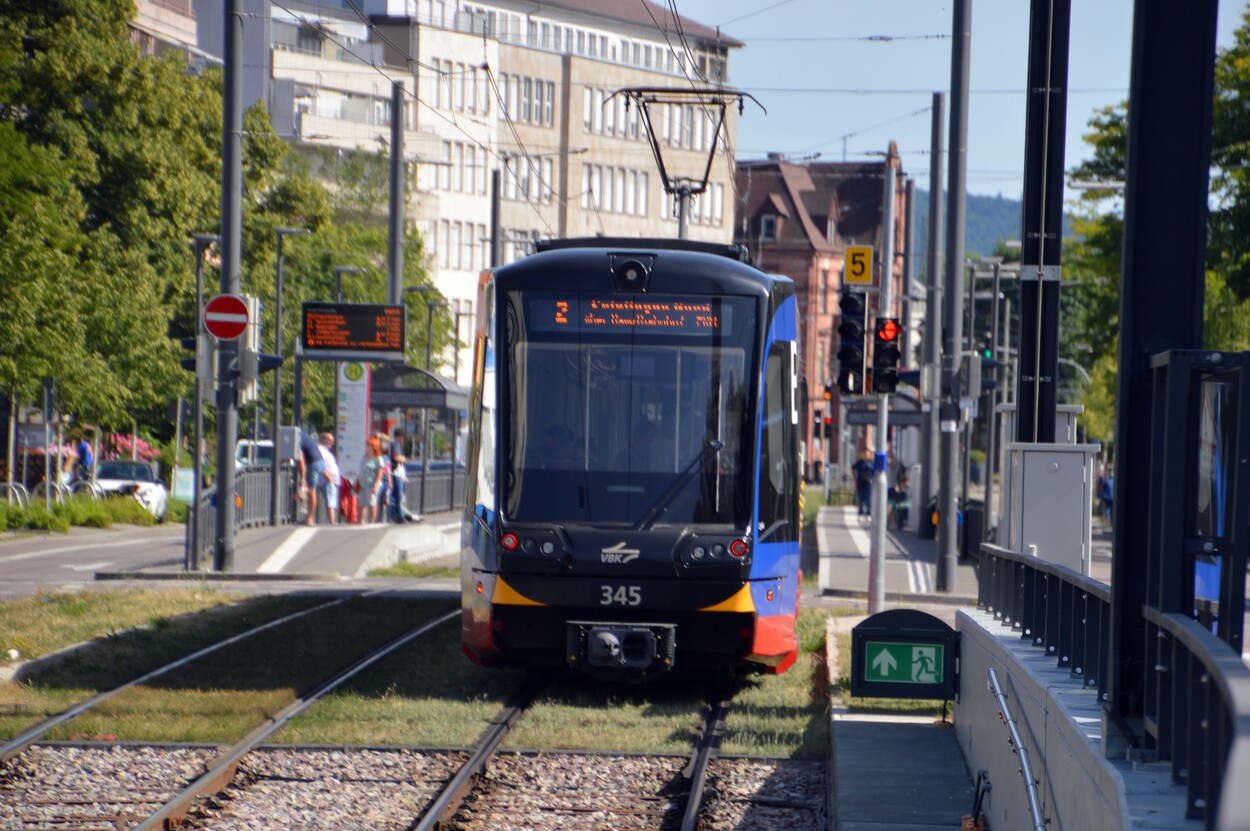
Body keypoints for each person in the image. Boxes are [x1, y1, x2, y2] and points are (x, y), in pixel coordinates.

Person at [297, 428, 323, 526]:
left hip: (313, 463)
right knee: (310, 490)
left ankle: (310, 518)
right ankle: (301, 495)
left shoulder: (297, 439)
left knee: (312, 491)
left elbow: (300, 460)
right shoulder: (303, 435)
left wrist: (302, 478)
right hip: (319, 462)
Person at [359, 437, 387, 523]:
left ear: (374, 447)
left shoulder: (378, 459)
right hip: (362, 484)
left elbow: (380, 472)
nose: (366, 447)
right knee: (361, 504)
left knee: (372, 504)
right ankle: (361, 521)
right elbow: (362, 470)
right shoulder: (364, 457)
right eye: (367, 445)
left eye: (369, 445)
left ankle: (372, 521)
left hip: (372, 484)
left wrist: (375, 485)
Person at [316, 432, 340, 525]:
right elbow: (320, 463)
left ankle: (332, 520)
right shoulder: (321, 449)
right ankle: (332, 521)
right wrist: (328, 477)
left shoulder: (326, 451)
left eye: (332, 441)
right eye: (329, 440)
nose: (331, 443)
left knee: (332, 500)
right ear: (323, 440)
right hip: (327, 479)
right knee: (331, 501)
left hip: (331, 480)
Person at [852, 450, 874, 517]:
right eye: (865, 454)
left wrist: (872, 480)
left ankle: (868, 511)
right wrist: (854, 478)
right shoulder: (859, 462)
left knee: (868, 498)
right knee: (861, 498)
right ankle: (861, 511)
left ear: (869, 455)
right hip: (860, 483)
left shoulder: (872, 463)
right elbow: (853, 468)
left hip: (869, 484)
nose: (866, 455)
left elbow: (876, 472)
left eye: (867, 454)